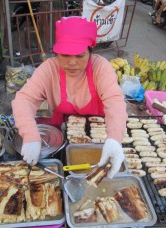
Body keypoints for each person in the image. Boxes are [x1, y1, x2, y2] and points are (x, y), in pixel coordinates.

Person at [12, 17, 127, 179]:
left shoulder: (100, 68)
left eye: (80, 55)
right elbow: (25, 99)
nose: (72, 62)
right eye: (65, 55)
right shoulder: (49, 69)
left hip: (100, 136)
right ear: (56, 52)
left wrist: (114, 138)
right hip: (62, 136)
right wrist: (30, 135)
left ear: (90, 52)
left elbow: (115, 101)